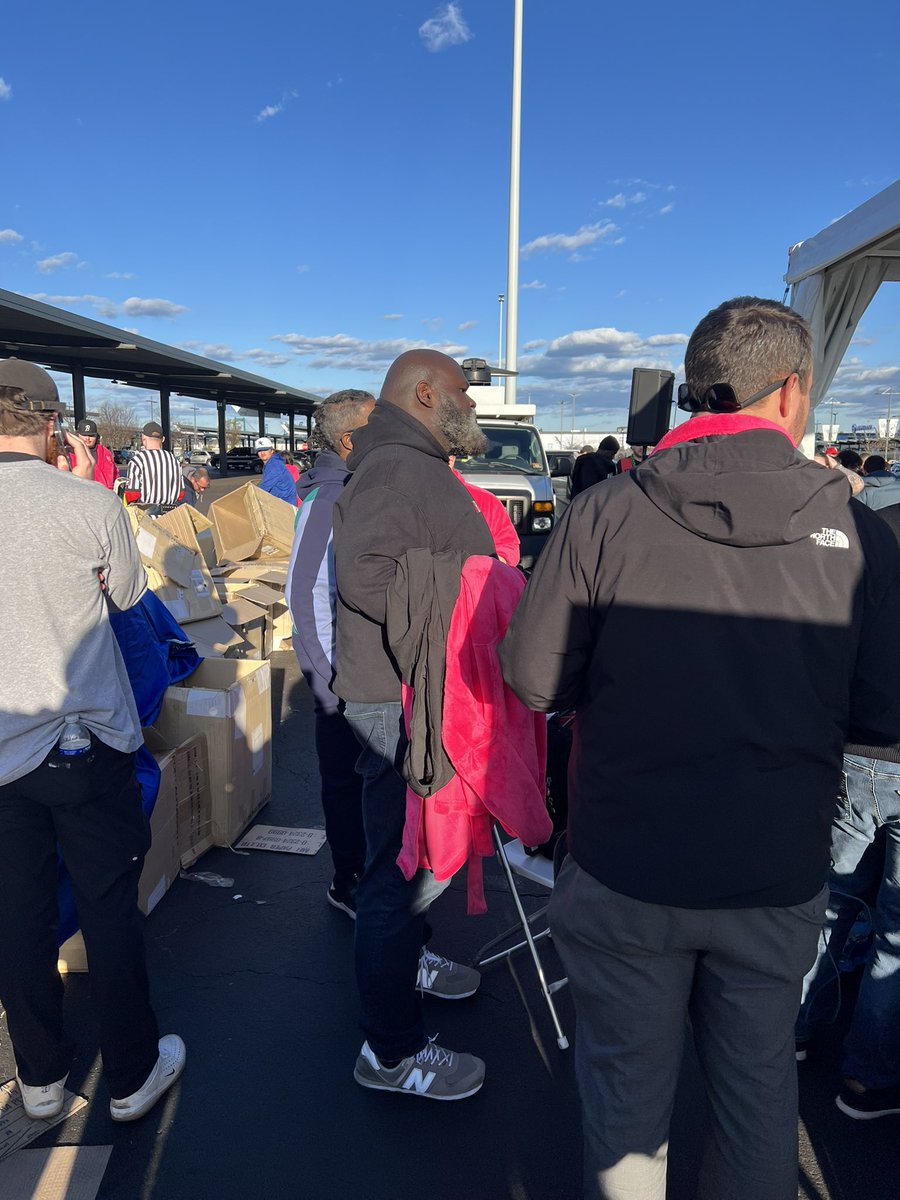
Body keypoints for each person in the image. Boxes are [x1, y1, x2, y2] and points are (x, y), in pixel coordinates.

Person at [499, 296, 900, 1200]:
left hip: (624, 865)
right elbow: (882, 712)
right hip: (773, 870)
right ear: (792, 392)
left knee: (626, 1110)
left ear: (695, 393)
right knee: (758, 1098)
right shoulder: (863, 535)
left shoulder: (604, 513)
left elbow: (534, 678)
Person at [0, 370, 186, 1124]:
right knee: (109, 907)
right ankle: (131, 1074)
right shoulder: (92, 502)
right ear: (51, 423)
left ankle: (40, 1079)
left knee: (18, 913)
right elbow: (129, 599)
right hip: (84, 742)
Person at [333, 349, 494, 1102]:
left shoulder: (409, 460)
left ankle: (412, 964)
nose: (471, 405)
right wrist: (467, 597)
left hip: (411, 697)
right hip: (398, 705)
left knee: (411, 867)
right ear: (426, 394)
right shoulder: (398, 467)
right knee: (396, 879)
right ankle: (391, 1055)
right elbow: (364, 573)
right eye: (462, 392)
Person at [796, 497, 900, 1121]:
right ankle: (868, 1077)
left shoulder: (870, 528)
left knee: (827, 905)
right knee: (896, 935)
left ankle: (791, 1032)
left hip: (856, 751)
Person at [285, 389, 375, 918]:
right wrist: (330, 683)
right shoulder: (327, 500)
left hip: (355, 680)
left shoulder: (349, 491)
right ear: (348, 440)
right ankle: (350, 883)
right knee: (346, 788)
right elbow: (305, 597)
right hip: (341, 688)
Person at [126, 421, 181, 514]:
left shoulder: (137, 461)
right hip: (170, 516)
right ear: (163, 439)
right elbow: (180, 494)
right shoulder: (174, 461)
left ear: (143, 439)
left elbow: (132, 494)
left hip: (146, 517)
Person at [75, 418, 117, 490]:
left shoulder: (106, 453)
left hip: (107, 495)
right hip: (82, 494)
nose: (87, 438)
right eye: (84, 435)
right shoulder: (70, 453)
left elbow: (116, 474)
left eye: (91, 435)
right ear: (78, 435)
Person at [255, 436, 298, 505]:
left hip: (285, 505)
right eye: (259, 451)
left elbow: (263, 488)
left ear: (272, 451)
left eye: (265, 450)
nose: (262, 453)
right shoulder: (272, 463)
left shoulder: (274, 464)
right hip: (283, 502)